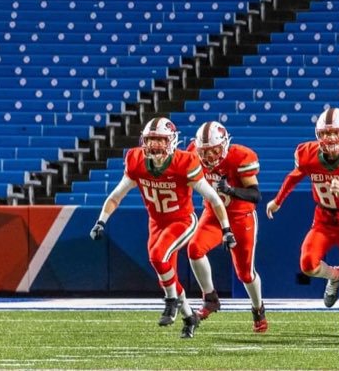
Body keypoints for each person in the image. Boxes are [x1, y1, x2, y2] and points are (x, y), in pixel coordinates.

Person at [90, 118, 234, 339]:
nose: (155, 145)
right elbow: (116, 196)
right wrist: (101, 221)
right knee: (166, 275)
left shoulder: (185, 162)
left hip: (182, 221)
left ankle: (170, 302)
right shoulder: (136, 160)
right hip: (156, 223)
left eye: (160, 140)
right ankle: (190, 318)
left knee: (158, 256)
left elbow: (214, 199)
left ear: (172, 141)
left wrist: (226, 229)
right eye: (151, 140)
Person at [267, 107, 339, 344]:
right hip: (324, 220)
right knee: (307, 263)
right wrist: (278, 201)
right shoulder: (308, 153)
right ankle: (334, 275)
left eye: (336, 132)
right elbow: (294, 176)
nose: (330, 138)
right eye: (326, 133)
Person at [183, 121, 266, 333]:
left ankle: (258, 308)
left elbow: (256, 195)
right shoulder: (192, 153)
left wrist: (230, 190)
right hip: (213, 215)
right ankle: (210, 298)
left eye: (214, 150)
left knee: (245, 274)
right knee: (194, 249)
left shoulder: (239, 157)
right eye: (205, 151)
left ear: (225, 145)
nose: (209, 156)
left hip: (241, 218)